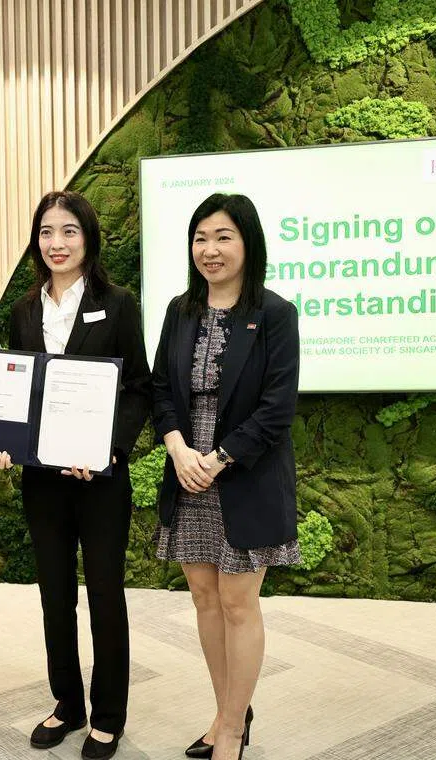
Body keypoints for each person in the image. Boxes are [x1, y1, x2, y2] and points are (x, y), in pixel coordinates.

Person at [0, 191, 149, 760]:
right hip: (43, 480)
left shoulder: (117, 303)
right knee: (54, 595)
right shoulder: (24, 310)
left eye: (69, 231)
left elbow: (139, 388)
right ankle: (67, 703)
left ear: (88, 238)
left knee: (104, 595)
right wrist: (1, 442)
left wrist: (110, 450)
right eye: (46, 232)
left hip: (99, 479)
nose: (57, 243)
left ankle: (108, 715)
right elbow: (18, 391)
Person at [150, 193, 301, 760]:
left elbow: (277, 408)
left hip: (243, 475)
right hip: (187, 472)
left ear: (248, 243)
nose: (209, 250)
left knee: (238, 603)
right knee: (204, 599)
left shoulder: (275, 313)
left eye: (223, 237)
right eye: (200, 238)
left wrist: (217, 459)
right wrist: (178, 449)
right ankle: (225, 712)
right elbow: (161, 389)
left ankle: (233, 729)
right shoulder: (180, 310)